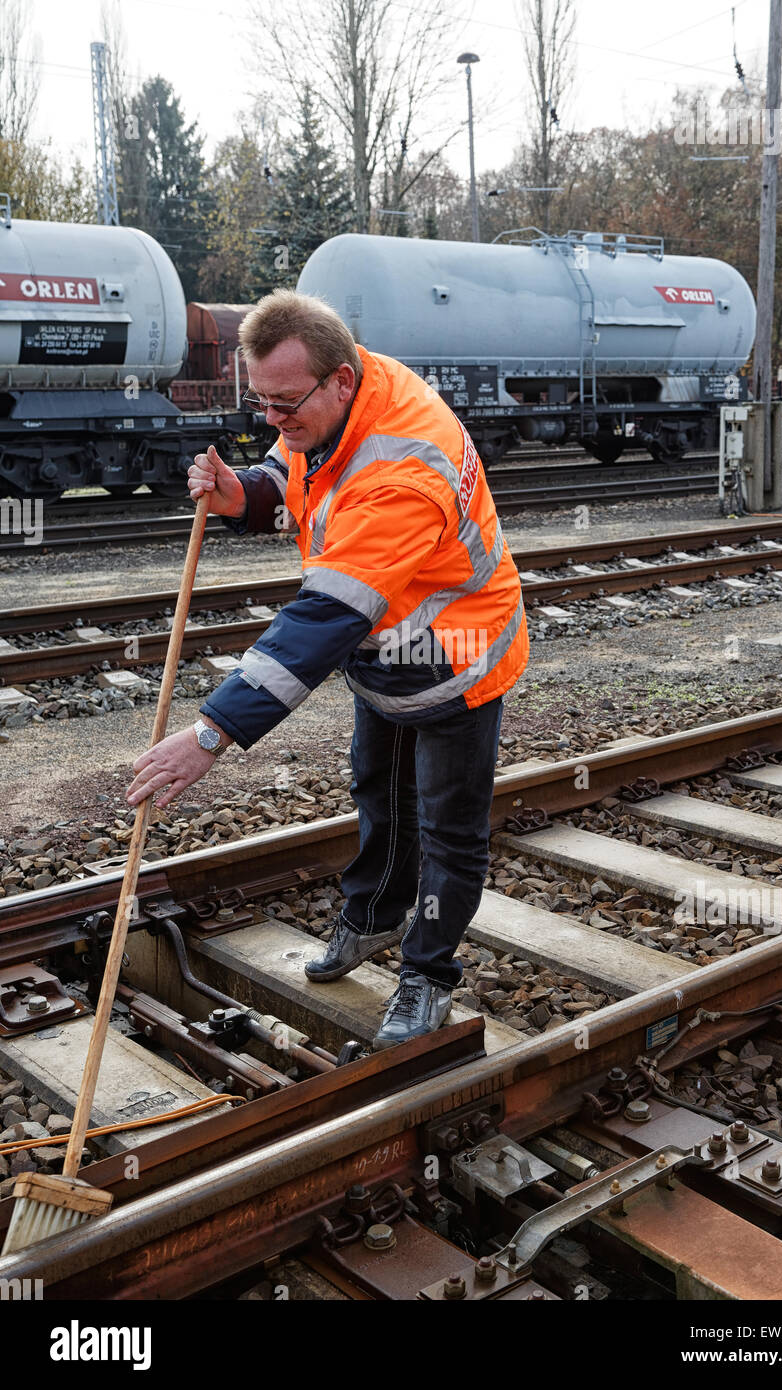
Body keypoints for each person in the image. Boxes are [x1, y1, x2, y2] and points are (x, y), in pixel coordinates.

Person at [126, 290, 528, 1049]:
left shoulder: (403, 468)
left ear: (339, 380)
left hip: (455, 660)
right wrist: (239, 492)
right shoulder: (339, 402)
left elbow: (319, 622)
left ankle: (429, 973)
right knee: (378, 792)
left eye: (284, 404)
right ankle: (373, 918)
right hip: (384, 653)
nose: (273, 421)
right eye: (263, 404)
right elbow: (292, 474)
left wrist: (209, 734)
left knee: (449, 831)